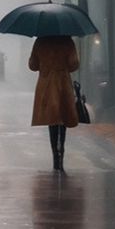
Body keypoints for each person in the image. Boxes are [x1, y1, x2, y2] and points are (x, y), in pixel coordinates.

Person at [28, 35, 80, 171]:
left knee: (52, 119)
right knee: (64, 117)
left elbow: (32, 66)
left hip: (46, 85)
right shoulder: (67, 41)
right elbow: (74, 64)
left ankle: (54, 155)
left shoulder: (40, 41)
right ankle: (61, 148)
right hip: (63, 84)